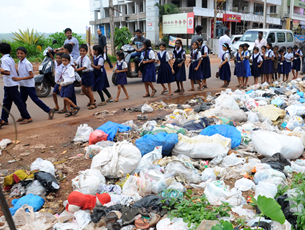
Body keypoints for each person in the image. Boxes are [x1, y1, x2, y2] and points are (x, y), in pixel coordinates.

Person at [13, 47, 54, 120]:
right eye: (18, 53)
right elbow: (21, 73)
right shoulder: (20, 62)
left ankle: (49, 110)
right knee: (22, 101)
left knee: (35, 100)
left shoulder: (27, 63)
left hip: (29, 86)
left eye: (21, 53)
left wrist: (19, 79)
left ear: (25, 54)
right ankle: (24, 115)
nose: (19, 55)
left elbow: (31, 75)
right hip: (23, 85)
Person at [0, 42, 32, 127]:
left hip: (10, 83)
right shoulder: (10, 58)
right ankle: (4, 119)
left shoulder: (4, 59)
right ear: (10, 51)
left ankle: (27, 116)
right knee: (7, 102)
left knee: (18, 101)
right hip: (9, 84)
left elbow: (7, 72)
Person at [75, 44, 96, 110]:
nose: (82, 52)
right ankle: (91, 99)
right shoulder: (79, 57)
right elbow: (76, 63)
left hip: (89, 73)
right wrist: (71, 63)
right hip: (84, 74)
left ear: (86, 52)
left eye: (83, 51)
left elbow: (84, 67)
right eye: (81, 51)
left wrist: (77, 69)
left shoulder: (86, 59)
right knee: (83, 89)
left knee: (88, 89)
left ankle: (93, 103)